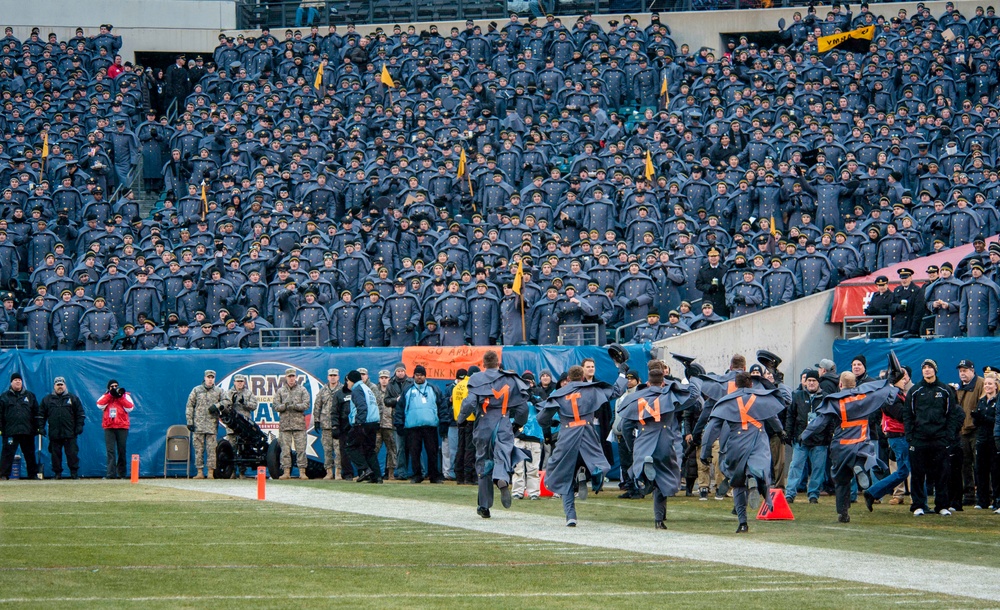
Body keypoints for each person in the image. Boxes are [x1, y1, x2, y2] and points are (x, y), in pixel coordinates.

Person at [802, 368, 905, 523]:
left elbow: (820, 422)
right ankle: (859, 466)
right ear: (855, 383)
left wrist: (804, 434)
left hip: (841, 444)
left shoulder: (836, 401)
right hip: (861, 441)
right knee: (866, 455)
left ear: (840, 384)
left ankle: (843, 513)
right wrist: (890, 381)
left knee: (841, 479)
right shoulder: (866, 397)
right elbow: (888, 398)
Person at [538, 360, 628, 526]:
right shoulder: (592, 389)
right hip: (587, 432)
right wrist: (622, 373)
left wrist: (550, 424)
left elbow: (542, 418)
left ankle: (570, 516)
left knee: (564, 476)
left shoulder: (559, 393)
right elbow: (615, 391)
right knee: (600, 462)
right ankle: (590, 474)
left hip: (566, 436)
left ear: (569, 378)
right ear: (582, 376)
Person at [616, 360, 701, 528]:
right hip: (665, 440)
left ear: (647, 381)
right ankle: (659, 520)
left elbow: (624, 426)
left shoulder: (636, 397)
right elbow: (693, 396)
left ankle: (645, 475)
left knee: (637, 472)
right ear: (663, 381)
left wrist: (632, 445)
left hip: (644, 439)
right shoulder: (670, 394)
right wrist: (694, 376)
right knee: (664, 479)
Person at [700, 372, 785, 533]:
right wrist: (781, 432)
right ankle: (755, 481)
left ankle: (743, 522)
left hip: (735, 442)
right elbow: (772, 417)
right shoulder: (761, 398)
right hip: (758, 439)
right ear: (751, 384)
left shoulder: (726, 401)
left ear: (736, 385)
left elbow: (712, 428)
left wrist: (705, 451)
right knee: (763, 470)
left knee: (738, 482)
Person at [459, 350, 530, 518]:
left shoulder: (477, 378)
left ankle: (484, 506)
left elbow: (469, 402)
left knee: (483, 464)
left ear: (483, 364)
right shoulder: (511, 379)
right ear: (498, 363)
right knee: (503, 456)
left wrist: (461, 418)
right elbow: (523, 408)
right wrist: (518, 424)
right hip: (504, 422)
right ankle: (501, 478)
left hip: (483, 424)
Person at [903, 359, 964, 516]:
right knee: (917, 474)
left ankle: (941, 505)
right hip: (919, 439)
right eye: (924, 368)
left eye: (930, 367)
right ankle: (918, 505)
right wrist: (910, 436)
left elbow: (951, 415)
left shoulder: (944, 390)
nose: (927, 370)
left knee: (942, 473)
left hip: (939, 438)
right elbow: (908, 415)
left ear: (935, 370)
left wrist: (948, 436)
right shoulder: (915, 391)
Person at [394, 364, 448, 484]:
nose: (419, 377)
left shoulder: (433, 389)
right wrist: (399, 424)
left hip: (430, 426)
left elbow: (442, 406)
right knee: (415, 453)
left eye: (421, 375)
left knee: (432, 452)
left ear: (425, 376)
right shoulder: (407, 390)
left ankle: (434, 475)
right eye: (417, 375)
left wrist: (444, 422)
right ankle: (417, 475)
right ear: (413, 376)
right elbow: (400, 408)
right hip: (413, 427)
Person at [784, 369, 827, 504]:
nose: (811, 383)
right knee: (795, 466)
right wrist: (789, 434)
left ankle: (813, 493)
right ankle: (790, 493)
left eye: (814, 380)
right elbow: (790, 416)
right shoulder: (797, 396)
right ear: (805, 382)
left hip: (819, 441)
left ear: (818, 382)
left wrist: (828, 437)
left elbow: (830, 419)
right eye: (809, 380)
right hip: (800, 439)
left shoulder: (825, 398)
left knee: (818, 468)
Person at [40, 376, 85, 479]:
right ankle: (57, 474)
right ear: (54, 386)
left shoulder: (73, 398)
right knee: (55, 455)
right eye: (58, 385)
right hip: (54, 433)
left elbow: (80, 414)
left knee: (72, 454)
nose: (60, 387)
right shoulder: (47, 400)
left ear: (65, 385)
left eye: (61, 384)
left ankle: (74, 473)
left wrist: (79, 426)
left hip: (70, 433)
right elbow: (41, 415)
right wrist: (41, 428)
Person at [0, 372, 41, 480]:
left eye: (19, 380)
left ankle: (33, 474)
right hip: (10, 431)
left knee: (30, 454)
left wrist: (38, 427)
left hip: (27, 431)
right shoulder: (4, 397)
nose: (18, 381)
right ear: (11, 382)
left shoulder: (30, 396)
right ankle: (4, 475)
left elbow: (36, 413)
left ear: (22, 382)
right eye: (15, 380)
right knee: (7, 454)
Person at [955, 359, 983, 508]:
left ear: (972, 371)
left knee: (980, 464)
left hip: (976, 430)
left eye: (965, 370)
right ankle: (969, 495)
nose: (962, 373)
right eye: (960, 371)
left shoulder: (981, 384)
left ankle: (985, 494)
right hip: (963, 431)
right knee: (965, 465)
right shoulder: (960, 387)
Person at [185, 370, 224, 479]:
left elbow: (226, 402)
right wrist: (189, 421)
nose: (210, 379)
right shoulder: (197, 390)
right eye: (208, 377)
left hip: (211, 425)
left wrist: (217, 406)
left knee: (211, 450)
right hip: (198, 425)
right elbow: (189, 406)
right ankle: (200, 472)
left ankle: (211, 472)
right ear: (205, 378)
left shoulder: (219, 391)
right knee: (198, 449)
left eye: (212, 377)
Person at [345, 369, 382, 483]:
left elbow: (362, 407)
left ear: (351, 381)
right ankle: (377, 477)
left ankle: (364, 469)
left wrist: (358, 423)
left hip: (364, 423)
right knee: (369, 449)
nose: (347, 384)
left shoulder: (357, 390)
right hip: (373, 422)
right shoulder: (367, 388)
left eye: (348, 381)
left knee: (350, 446)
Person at [274, 367, 310, 480]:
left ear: (295, 377)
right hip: (285, 426)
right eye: (289, 376)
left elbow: (306, 404)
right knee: (285, 450)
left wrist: (295, 405)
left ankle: (302, 471)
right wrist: (284, 406)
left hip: (299, 425)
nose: (291, 379)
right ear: (286, 377)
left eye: (293, 376)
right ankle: (286, 471)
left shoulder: (302, 390)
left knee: (301, 449)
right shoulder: (280, 391)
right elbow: (275, 406)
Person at [971, 372, 998, 510]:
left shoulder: (997, 401)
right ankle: (982, 500)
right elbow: (977, 422)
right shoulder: (981, 401)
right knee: (980, 470)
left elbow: (995, 421)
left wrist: (984, 418)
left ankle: (997, 500)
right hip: (981, 438)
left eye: (990, 384)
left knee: (995, 470)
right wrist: (976, 417)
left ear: (996, 386)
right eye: (986, 384)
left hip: (993, 439)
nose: (987, 386)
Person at [97, 379, 134, 479]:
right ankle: (110, 474)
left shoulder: (125, 395)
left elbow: (130, 407)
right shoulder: (105, 396)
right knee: (110, 451)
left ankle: (122, 473)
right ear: (108, 388)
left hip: (122, 426)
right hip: (109, 426)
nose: (114, 388)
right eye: (112, 386)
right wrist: (110, 395)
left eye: (116, 386)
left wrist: (120, 397)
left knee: (122, 450)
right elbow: (99, 404)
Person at [220, 374, 255, 477]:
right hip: (232, 426)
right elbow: (224, 406)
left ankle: (242, 472)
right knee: (232, 449)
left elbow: (254, 406)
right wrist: (230, 403)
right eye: (238, 381)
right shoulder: (228, 393)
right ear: (234, 382)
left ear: (244, 382)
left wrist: (245, 403)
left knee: (243, 450)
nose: (240, 383)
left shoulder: (248, 393)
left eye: (241, 381)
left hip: (245, 427)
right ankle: (231, 472)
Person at [312, 368, 342, 480]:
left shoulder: (342, 389)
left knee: (338, 450)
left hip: (338, 425)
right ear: (328, 377)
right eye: (331, 375)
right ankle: (329, 472)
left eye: (335, 375)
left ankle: (338, 472)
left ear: (338, 377)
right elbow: (317, 405)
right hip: (326, 425)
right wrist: (316, 420)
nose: (333, 377)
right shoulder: (323, 390)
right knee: (327, 450)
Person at [374, 370, 398, 480]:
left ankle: (391, 473)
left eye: (386, 378)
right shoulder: (374, 391)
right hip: (377, 425)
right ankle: (373, 472)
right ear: (379, 379)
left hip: (390, 424)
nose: (384, 380)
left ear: (389, 379)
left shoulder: (393, 390)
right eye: (382, 378)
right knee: (374, 449)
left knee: (392, 449)